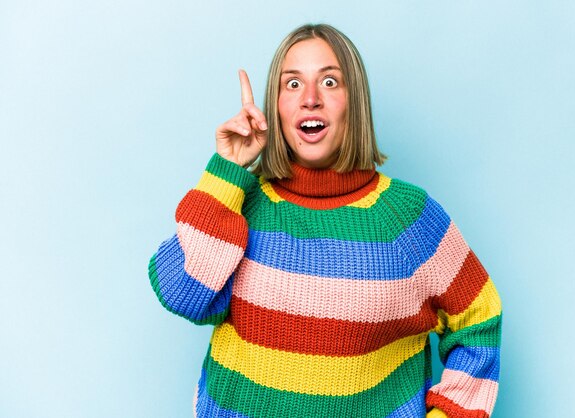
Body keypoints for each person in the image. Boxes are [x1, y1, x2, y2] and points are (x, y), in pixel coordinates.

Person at [149, 23, 502, 418]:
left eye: (330, 82)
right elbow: (183, 293)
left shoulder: (408, 219)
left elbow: (479, 321)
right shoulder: (242, 203)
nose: (311, 99)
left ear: (355, 102)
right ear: (276, 105)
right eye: (293, 84)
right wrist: (228, 171)